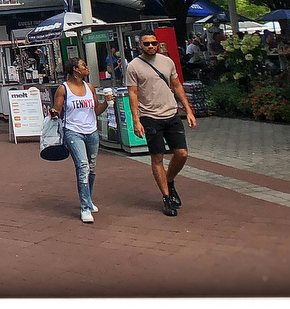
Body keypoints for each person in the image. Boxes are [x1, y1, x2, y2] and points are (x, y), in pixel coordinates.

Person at [126, 33, 197, 217]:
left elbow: (177, 85)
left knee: (182, 153)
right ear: (140, 45)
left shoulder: (167, 61)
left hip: (171, 113)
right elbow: (133, 93)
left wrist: (188, 110)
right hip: (150, 116)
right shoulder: (133, 66)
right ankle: (166, 197)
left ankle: (169, 180)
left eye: (154, 43)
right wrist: (136, 120)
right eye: (147, 43)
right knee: (157, 157)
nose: (151, 46)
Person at [52, 59, 113, 223]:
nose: (87, 68)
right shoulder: (64, 89)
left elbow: (96, 110)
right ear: (75, 69)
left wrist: (107, 102)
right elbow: (57, 110)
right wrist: (53, 114)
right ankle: (85, 207)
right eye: (83, 66)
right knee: (83, 166)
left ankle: (88, 199)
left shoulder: (90, 87)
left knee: (92, 168)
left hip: (91, 131)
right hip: (73, 132)